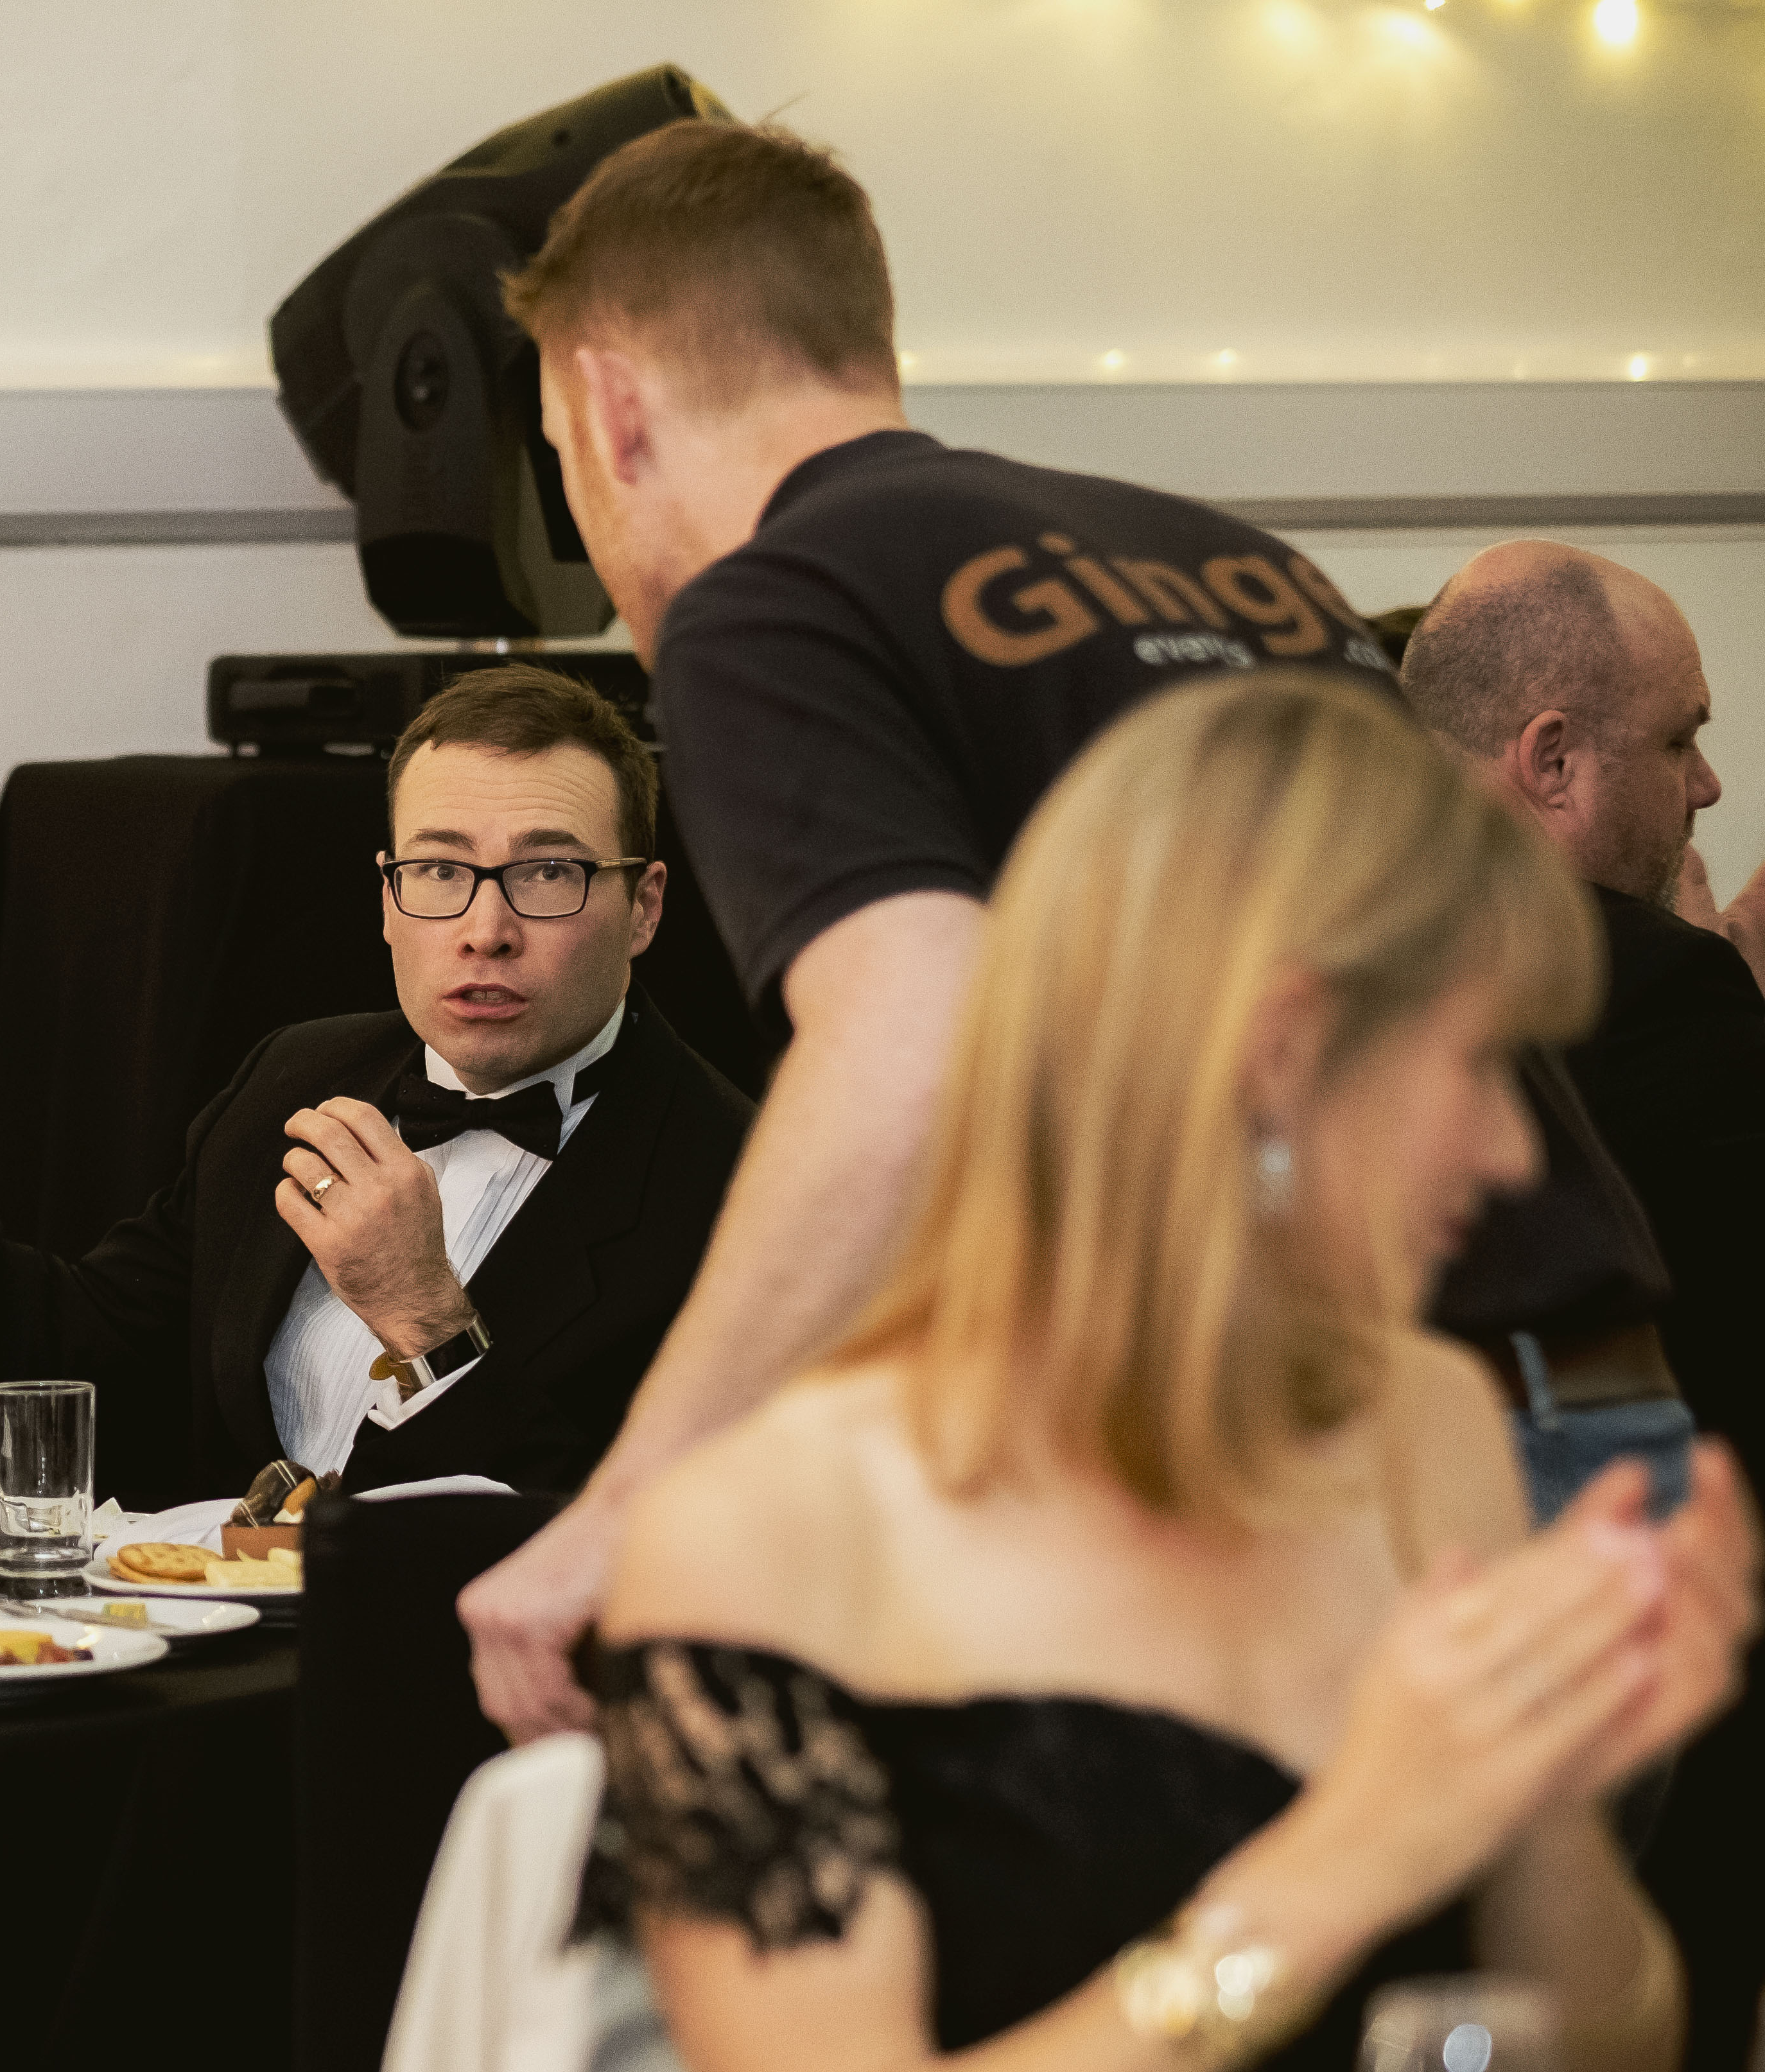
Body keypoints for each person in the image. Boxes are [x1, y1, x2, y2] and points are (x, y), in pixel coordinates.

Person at [454, 117, 1667, 1737]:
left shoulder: (775, 600)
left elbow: (909, 1044)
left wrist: (630, 1505)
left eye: (558, 453)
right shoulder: (1233, 561)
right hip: (1606, 1427)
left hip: (1361, 1484)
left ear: (610, 407)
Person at [584, 675, 1757, 2072]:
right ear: (1281, 1050)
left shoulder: (1425, 1421)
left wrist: (1550, 1786)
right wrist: (1348, 1855)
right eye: (1482, 1065)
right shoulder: (767, 1532)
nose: (1509, 1153)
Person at [0, 665, 753, 1504]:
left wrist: (431, 1327)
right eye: (441, 872)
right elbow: (68, 1348)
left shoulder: (744, 1184)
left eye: (547, 874)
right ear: (389, 898)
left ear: (644, 906)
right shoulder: (297, 1077)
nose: (486, 928)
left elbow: (664, 1553)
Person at [1405, 541, 1765, 2072]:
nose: (1708, 784)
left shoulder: (1345, 934)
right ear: (1551, 758)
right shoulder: (1659, 985)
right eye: (1681, 738)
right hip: (1649, 1652)